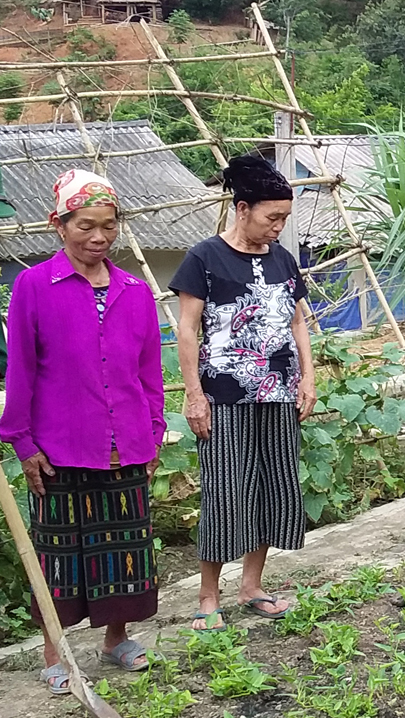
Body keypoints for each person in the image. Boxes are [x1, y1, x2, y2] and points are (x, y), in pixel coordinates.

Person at [0, 169, 164, 692]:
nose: (98, 238)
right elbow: (20, 369)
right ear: (59, 224)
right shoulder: (33, 285)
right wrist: (22, 442)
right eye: (86, 226)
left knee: (125, 545)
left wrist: (153, 431)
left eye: (109, 227)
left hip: (126, 444)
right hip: (58, 446)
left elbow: (148, 372)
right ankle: (57, 653)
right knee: (59, 554)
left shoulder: (134, 290)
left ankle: (116, 639)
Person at [169, 155, 316, 631]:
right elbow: (186, 332)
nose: (279, 227)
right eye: (272, 217)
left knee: (273, 487)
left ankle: (252, 587)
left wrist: (308, 377)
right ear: (242, 207)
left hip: (278, 394)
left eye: (284, 219)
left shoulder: (282, 260)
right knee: (224, 490)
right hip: (223, 397)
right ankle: (208, 596)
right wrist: (194, 395)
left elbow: (298, 322)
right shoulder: (204, 258)